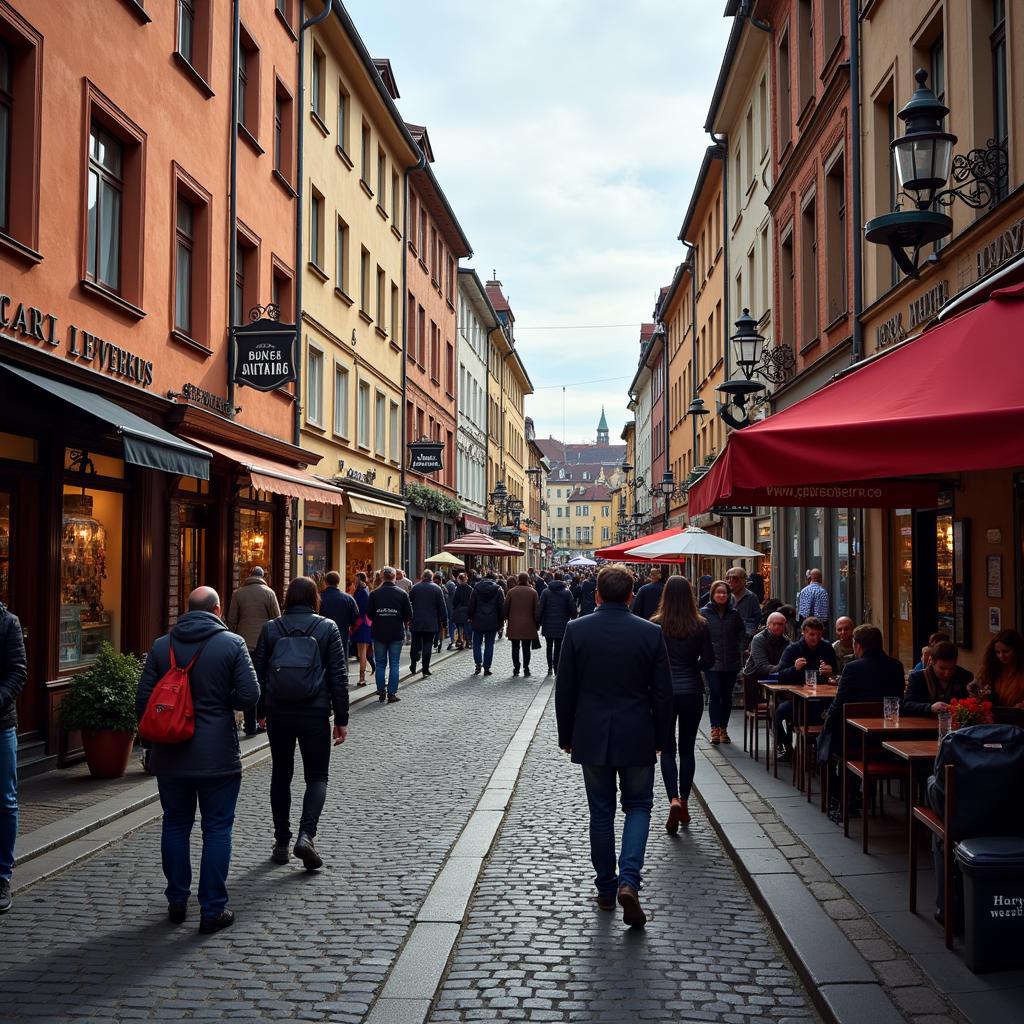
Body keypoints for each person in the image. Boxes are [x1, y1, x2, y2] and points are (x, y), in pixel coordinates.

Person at [135, 587, 259, 934]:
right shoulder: (231, 644)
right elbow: (251, 694)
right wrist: (222, 703)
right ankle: (212, 909)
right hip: (216, 753)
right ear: (218, 609)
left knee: (175, 824)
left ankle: (177, 900)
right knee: (217, 828)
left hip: (171, 753)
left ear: (186, 610)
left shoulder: (162, 646)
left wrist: (150, 745)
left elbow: (143, 699)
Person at [555, 564, 673, 928]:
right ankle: (629, 881)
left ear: (596, 595)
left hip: (591, 733)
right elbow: (664, 694)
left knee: (601, 812)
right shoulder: (650, 633)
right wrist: (662, 739)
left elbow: (565, 690)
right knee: (639, 807)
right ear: (631, 596)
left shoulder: (576, 630)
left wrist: (566, 736)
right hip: (637, 732)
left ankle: (606, 889)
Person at [254, 577, 348, 870]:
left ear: (287, 598)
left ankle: (282, 841)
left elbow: (258, 673)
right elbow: (338, 675)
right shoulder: (326, 628)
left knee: (280, 776)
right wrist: (341, 718)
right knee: (317, 777)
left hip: (279, 712)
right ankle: (306, 835)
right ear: (313, 598)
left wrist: (260, 710)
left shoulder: (271, 629)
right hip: (315, 713)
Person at [817, 625, 905, 821]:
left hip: (855, 739)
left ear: (858, 646)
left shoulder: (853, 668)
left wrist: (827, 725)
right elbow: (898, 700)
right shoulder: (896, 666)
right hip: (887, 737)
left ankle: (837, 798)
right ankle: (856, 795)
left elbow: (840, 704)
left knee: (826, 743)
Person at [651, 577, 713, 834]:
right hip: (691, 692)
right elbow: (709, 660)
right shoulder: (700, 624)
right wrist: (691, 668)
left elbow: (650, 660)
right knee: (687, 749)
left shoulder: (655, 625)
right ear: (690, 595)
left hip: (664, 693)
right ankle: (685, 801)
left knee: (667, 749)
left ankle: (673, 799)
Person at [773, 617, 838, 761]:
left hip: (822, 699)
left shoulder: (827, 648)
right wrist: (794, 669)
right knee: (777, 714)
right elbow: (780, 675)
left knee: (827, 715)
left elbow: (836, 673)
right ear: (803, 633)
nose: (816, 638)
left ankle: (815, 747)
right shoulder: (793, 649)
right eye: (812, 634)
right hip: (798, 699)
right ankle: (786, 746)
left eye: (819, 635)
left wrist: (830, 672)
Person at [225, 566, 281, 735]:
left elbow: (231, 620)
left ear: (250, 576)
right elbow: (277, 618)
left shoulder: (238, 593)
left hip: (244, 645)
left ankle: (249, 725)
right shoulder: (269, 593)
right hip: (264, 645)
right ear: (263, 576)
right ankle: (262, 720)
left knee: (247, 684)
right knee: (263, 682)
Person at [0, 601, 27, 916]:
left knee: (5, 801)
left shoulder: (8, 622)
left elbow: (18, 671)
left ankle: (2, 876)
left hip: (1, 725)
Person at [701, 581, 745, 745]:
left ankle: (723, 728)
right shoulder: (704, 613)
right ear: (712, 594)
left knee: (727, 697)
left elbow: (741, 633)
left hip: (731, 661)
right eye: (718, 592)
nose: (721, 595)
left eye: (724, 593)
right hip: (712, 661)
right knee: (715, 693)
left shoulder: (734, 614)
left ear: (728, 595)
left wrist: (740, 648)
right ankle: (714, 728)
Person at [366, 567, 413, 703]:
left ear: (382, 578)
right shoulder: (402, 594)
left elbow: (368, 614)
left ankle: (381, 691)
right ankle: (391, 694)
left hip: (379, 632)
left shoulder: (374, 594)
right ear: (394, 578)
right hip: (396, 632)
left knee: (380, 663)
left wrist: (379, 616)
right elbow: (409, 615)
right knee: (394, 663)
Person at [902, 641, 973, 717]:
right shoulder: (918, 677)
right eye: (942, 668)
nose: (947, 673)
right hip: (925, 726)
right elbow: (906, 705)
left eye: (951, 668)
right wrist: (930, 707)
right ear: (932, 661)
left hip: (958, 726)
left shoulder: (965, 676)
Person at [409, 570, 447, 678]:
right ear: (431, 577)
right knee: (427, 645)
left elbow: (408, 602)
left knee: (415, 644)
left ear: (422, 576)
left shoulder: (415, 588)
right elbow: (442, 607)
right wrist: (445, 621)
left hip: (416, 620)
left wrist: (408, 617)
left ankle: (413, 664)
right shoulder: (437, 589)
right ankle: (425, 668)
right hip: (431, 621)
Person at [538, 571, 577, 677]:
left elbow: (540, 608)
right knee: (559, 647)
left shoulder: (546, 592)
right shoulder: (567, 592)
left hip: (548, 624)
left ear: (553, 578)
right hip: (562, 625)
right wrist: (573, 618)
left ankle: (549, 667)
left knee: (549, 646)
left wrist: (539, 622)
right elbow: (572, 608)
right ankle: (556, 667)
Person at [975, 629, 1024, 708]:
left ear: (1016, 650)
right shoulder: (992, 669)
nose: (1001, 656)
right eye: (998, 652)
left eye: (1006, 651)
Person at [504, 572, 540, 677]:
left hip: (514, 624)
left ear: (518, 580)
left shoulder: (511, 592)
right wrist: (537, 623)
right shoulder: (533, 592)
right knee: (526, 648)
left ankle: (516, 668)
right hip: (528, 625)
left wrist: (504, 619)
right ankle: (526, 668)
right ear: (528, 579)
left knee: (515, 648)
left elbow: (505, 608)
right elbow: (536, 610)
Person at [319, 571, 359, 663]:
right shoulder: (348, 598)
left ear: (326, 582)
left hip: (322, 635)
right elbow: (356, 618)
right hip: (342, 635)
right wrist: (351, 628)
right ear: (338, 582)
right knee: (341, 661)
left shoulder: (319, 598)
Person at [468, 573, 503, 675]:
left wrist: (470, 617)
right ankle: (487, 667)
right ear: (494, 579)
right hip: (492, 621)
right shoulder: (498, 590)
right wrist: (501, 622)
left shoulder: (476, 589)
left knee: (476, 644)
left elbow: (471, 605)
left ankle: (478, 663)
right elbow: (501, 607)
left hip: (478, 620)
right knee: (489, 644)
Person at [744, 612, 790, 679]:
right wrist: (785, 668)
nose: (777, 627)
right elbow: (762, 667)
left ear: (784, 626)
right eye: (774, 624)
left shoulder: (786, 641)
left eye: (780, 624)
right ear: (768, 625)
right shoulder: (758, 639)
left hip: (775, 676)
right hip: (754, 677)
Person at [726, 566, 761, 643]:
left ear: (743, 580)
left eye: (734, 578)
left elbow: (757, 618)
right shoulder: (724, 597)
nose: (730, 581)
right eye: (728, 578)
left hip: (745, 639)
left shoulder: (751, 597)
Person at [351, 572, 373, 685]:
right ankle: (362, 675)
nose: (354, 581)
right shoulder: (365, 589)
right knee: (361, 651)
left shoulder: (361, 591)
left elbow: (359, 609)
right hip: (364, 623)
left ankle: (362, 677)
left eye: (355, 578)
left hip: (361, 623)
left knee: (362, 651)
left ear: (359, 578)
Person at [796, 568, 830, 634]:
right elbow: (822, 616)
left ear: (810, 578)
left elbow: (799, 612)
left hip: (805, 626)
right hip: (817, 627)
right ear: (821, 578)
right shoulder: (822, 592)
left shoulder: (803, 591)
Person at [451, 572, 473, 649]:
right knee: (467, 626)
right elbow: (472, 601)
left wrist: (454, 607)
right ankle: (468, 641)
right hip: (467, 610)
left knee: (459, 626)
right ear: (466, 579)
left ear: (459, 580)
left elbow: (455, 601)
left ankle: (460, 640)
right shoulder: (470, 589)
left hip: (459, 610)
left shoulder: (458, 588)